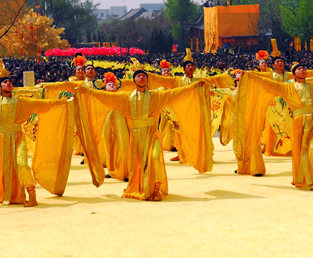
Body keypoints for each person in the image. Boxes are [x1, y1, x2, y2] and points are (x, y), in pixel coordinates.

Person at [74, 69, 213, 201]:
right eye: (138, 76)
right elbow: (105, 96)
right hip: (136, 136)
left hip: (152, 134)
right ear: (134, 80)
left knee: (155, 156)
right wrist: (86, 92)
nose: (141, 77)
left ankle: (153, 186)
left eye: (144, 76)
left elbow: (177, 93)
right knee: (139, 163)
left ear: (147, 80)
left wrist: (194, 86)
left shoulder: (156, 96)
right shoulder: (126, 97)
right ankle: (145, 188)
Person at [234, 63, 313, 190]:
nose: (302, 70)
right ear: (294, 73)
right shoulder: (288, 88)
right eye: (299, 69)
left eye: (304, 69)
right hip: (298, 122)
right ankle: (300, 177)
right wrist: (250, 76)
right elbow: (268, 84)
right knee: (299, 149)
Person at [0, 61, 74, 207]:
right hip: (1, 138)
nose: (8, 83)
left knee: (22, 164)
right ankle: (5, 193)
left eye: (9, 82)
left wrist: (61, 103)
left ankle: (32, 194)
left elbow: (41, 105)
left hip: (17, 137)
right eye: (5, 82)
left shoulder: (21, 102)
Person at [97, 72, 132, 181]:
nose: (112, 85)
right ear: (105, 87)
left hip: (121, 123)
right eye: (109, 84)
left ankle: (127, 172)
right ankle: (112, 171)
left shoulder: (123, 96)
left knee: (124, 147)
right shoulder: (102, 97)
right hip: (107, 124)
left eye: (114, 84)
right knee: (110, 148)